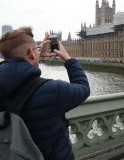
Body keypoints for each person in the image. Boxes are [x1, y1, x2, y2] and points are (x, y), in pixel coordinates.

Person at [0, 27, 90, 160]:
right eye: (35, 50)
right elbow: (83, 88)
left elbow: (20, 69)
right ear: (31, 53)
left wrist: (35, 54)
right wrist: (68, 59)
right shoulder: (53, 89)